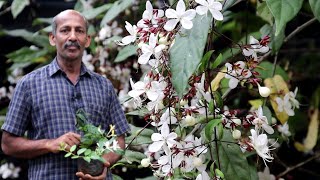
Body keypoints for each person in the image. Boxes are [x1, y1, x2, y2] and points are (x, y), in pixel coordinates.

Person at [1, 10, 130, 180]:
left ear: (87, 39)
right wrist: (49, 144)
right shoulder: (29, 85)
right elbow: (8, 144)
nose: (73, 37)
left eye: (79, 31)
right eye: (65, 30)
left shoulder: (103, 86)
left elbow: (119, 139)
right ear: (52, 38)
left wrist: (102, 163)